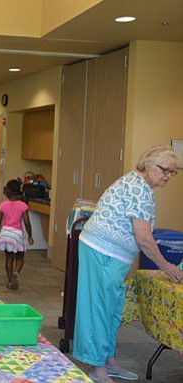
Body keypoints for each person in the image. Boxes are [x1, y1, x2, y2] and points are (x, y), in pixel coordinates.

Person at [73, 145, 183, 383]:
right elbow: (144, 238)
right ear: (149, 165)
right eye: (166, 170)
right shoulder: (138, 189)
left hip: (113, 254)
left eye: (173, 172)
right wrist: (168, 267)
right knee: (99, 309)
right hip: (102, 251)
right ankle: (97, 367)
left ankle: (108, 360)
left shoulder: (141, 186)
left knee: (113, 308)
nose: (168, 176)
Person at [0, 178, 33, 290]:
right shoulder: (23, 206)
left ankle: (10, 281)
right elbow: (27, 222)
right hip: (17, 233)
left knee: (9, 258)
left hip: (5, 233)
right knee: (20, 257)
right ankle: (16, 272)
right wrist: (30, 235)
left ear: (7, 192)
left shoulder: (2, 205)